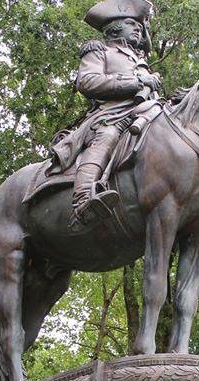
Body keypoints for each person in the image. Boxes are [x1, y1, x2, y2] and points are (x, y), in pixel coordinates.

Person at [49, 0, 163, 225]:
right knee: (108, 136)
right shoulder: (100, 50)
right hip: (111, 115)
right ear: (114, 27)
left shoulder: (137, 58)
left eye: (139, 26)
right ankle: (82, 200)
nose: (138, 28)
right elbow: (88, 82)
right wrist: (136, 82)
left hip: (146, 111)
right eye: (132, 23)